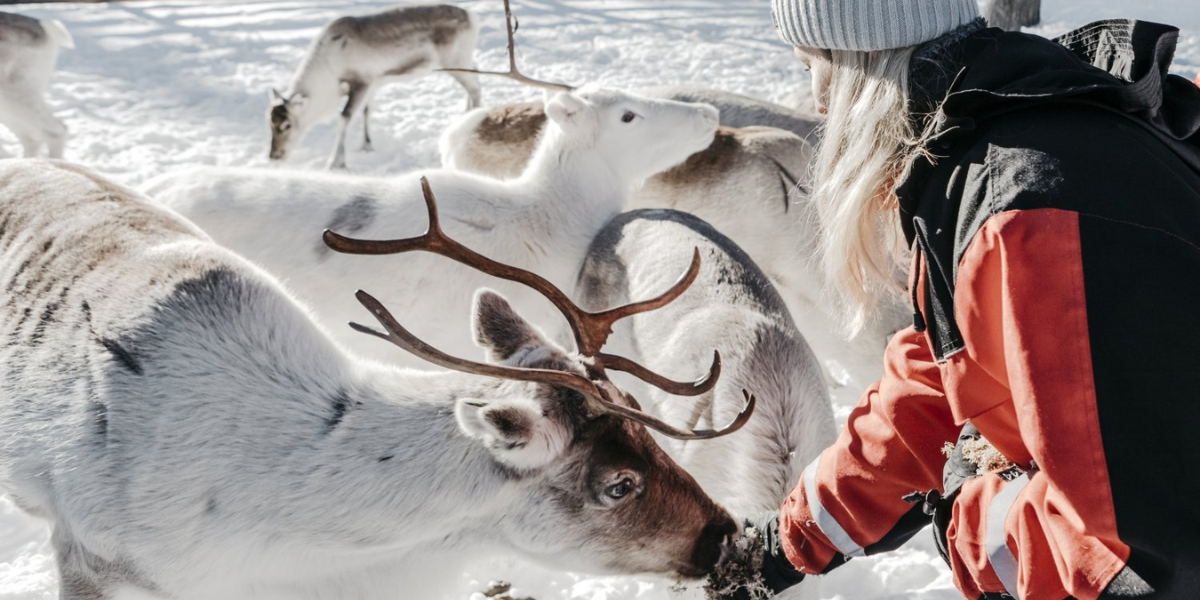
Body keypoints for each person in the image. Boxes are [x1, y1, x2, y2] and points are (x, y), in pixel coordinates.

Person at [729, 1, 1200, 599]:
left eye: (810, 66)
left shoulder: (1026, 213)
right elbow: (941, 385)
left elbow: (1128, 547)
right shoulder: (985, 144)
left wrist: (965, 517)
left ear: (861, 62)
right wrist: (787, 542)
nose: (818, 102)